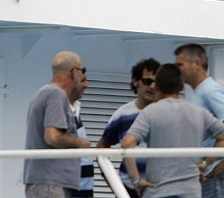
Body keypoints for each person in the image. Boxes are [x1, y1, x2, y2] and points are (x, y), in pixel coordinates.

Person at [121, 63, 224, 198]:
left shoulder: (150, 112)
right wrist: (206, 163)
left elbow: (127, 143)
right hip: (190, 193)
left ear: (156, 86)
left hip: (158, 192)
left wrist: (136, 181)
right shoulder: (198, 113)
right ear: (181, 87)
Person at [175, 43, 224, 198]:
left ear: (197, 64)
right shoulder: (199, 92)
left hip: (211, 177)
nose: (177, 69)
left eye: (180, 64)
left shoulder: (209, 90)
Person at [23, 51, 91, 198]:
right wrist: (80, 142)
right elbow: (52, 136)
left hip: (48, 182)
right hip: (50, 184)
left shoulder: (44, 93)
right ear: (74, 73)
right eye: (82, 71)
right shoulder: (56, 94)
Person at [97, 58, 160, 197]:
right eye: (147, 81)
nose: (152, 86)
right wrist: (113, 182)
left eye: (156, 82)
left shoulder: (166, 113)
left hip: (159, 188)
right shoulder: (122, 115)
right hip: (128, 189)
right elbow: (102, 146)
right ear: (135, 82)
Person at [72, 75, 93, 198]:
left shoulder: (75, 109)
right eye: (83, 80)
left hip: (84, 188)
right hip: (71, 189)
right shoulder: (60, 108)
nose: (87, 85)